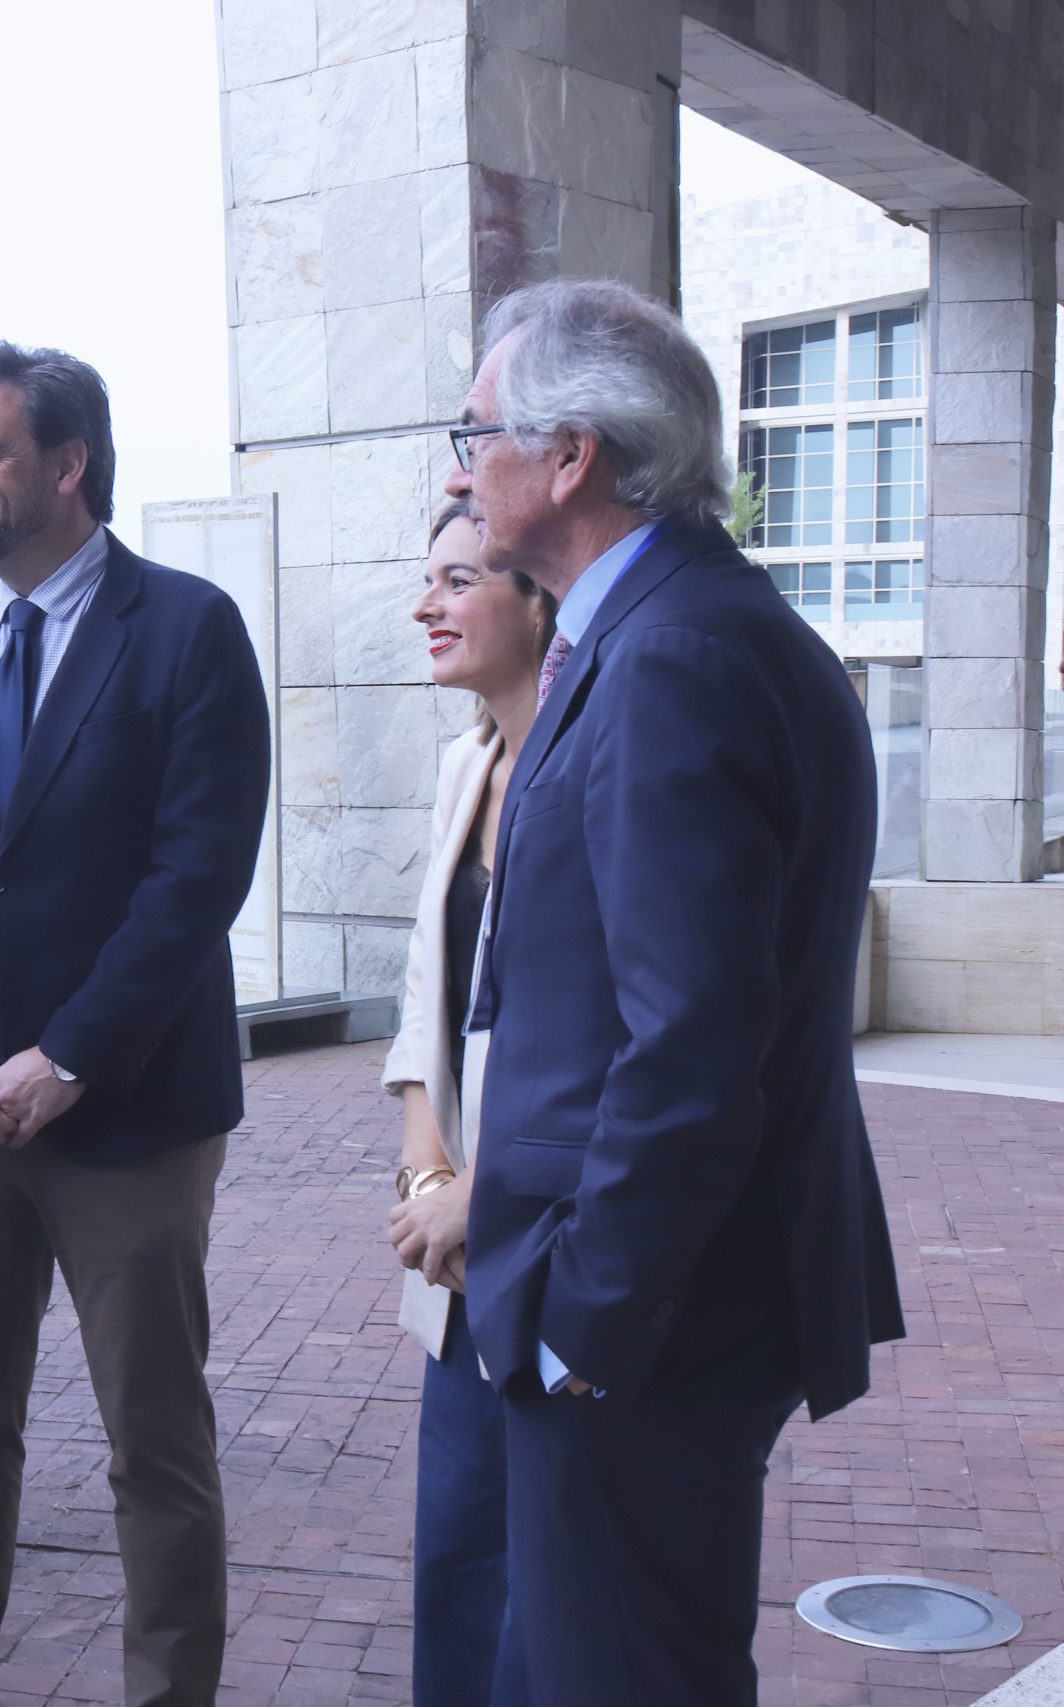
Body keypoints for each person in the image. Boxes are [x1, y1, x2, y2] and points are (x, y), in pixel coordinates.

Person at [446, 278, 904, 1707]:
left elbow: (693, 1039)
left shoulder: (672, 654)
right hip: (667, 1301)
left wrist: (589, 1318)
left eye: (475, 435)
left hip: (648, 1319)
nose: (459, 471)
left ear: (569, 456)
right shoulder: (683, 626)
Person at [0, 341, 269, 1707]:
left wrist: (69, 1053)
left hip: (130, 1117)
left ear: (68, 464)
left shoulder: (188, 628)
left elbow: (196, 875)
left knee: (156, 1443)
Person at [379, 500, 554, 1707]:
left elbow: (621, 1036)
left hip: (550, 1233)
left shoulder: (588, 764)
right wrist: (426, 1172)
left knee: (553, 1590)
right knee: (455, 1564)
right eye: (425, 580)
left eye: (456, 580)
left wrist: (484, 1197)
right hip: (455, 1257)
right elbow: (422, 992)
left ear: (537, 596)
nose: (423, 606)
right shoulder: (464, 764)